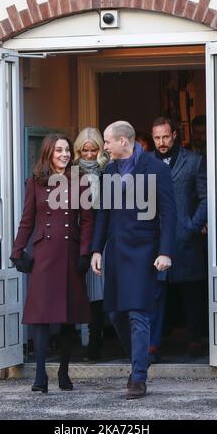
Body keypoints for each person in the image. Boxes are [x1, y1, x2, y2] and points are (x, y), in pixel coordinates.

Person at [91, 120, 176, 399]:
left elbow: (168, 213)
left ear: (123, 141)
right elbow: (103, 214)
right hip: (115, 251)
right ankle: (140, 360)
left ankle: (138, 377)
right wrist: (96, 250)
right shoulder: (110, 170)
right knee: (115, 314)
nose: (105, 147)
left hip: (143, 252)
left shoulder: (156, 169)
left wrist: (165, 251)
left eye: (107, 141)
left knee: (138, 313)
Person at [10, 134, 93, 393]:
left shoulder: (80, 181)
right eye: (59, 150)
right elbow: (27, 219)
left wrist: (84, 254)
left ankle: (64, 372)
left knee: (68, 316)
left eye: (67, 150)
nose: (65, 154)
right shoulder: (34, 182)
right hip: (43, 255)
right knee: (41, 316)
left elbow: (88, 221)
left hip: (70, 254)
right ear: (48, 153)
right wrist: (17, 250)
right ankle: (40, 375)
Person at [149, 117, 207, 361]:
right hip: (155, 237)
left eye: (165, 136)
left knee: (191, 291)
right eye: (157, 138)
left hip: (186, 237)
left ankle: (196, 338)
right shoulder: (146, 162)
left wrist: (192, 226)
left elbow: (205, 198)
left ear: (174, 135)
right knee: (156, 292)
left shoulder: (194, 161)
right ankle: (153, 343)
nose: (161, 142)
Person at [74, 127, 109, 361]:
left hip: (104, 234)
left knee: (103, 289)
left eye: (93, 149)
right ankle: (91, 341)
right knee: (85, 290)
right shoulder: (71, 172)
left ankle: (99, 339)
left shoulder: (108, 171)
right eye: (84, 150)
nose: (88, 154)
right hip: (79, 235)